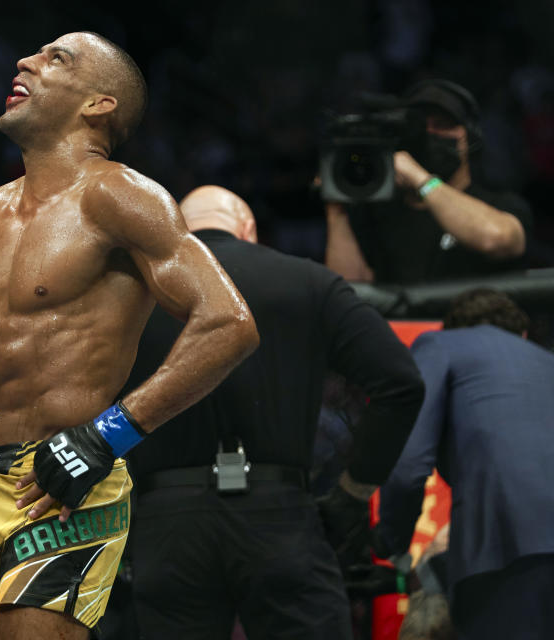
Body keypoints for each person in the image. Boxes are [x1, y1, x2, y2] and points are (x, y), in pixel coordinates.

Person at [0, 33, 259, 640]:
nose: (25, 61)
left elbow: (229, 322)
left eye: (57, 58)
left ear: (99, 105)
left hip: (67, 487)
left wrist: (109, 435)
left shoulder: (119, 195)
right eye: (32, 53)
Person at [121, 185, 425, 639]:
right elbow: (400, 382)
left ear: (177, 232)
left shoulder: (132, 295)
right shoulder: (306, 281)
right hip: (278, 514)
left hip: (165, 522)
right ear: (249, 231)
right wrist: (352, 492)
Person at [375, 288, 554, 639]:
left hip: (510, 538)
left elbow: (407, 466)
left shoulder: (438, 346)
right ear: (523, 335)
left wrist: (393, 549)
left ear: (452, 329)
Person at [324, 79, 533, 284]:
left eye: (443, 125)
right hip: (400, 320)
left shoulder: (500, 203)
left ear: (469, 136)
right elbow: (350, 289)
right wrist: (336, 207)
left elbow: (497, 239)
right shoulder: (380, 212)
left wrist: (421, 179)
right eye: (420, 126)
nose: (430, 133)